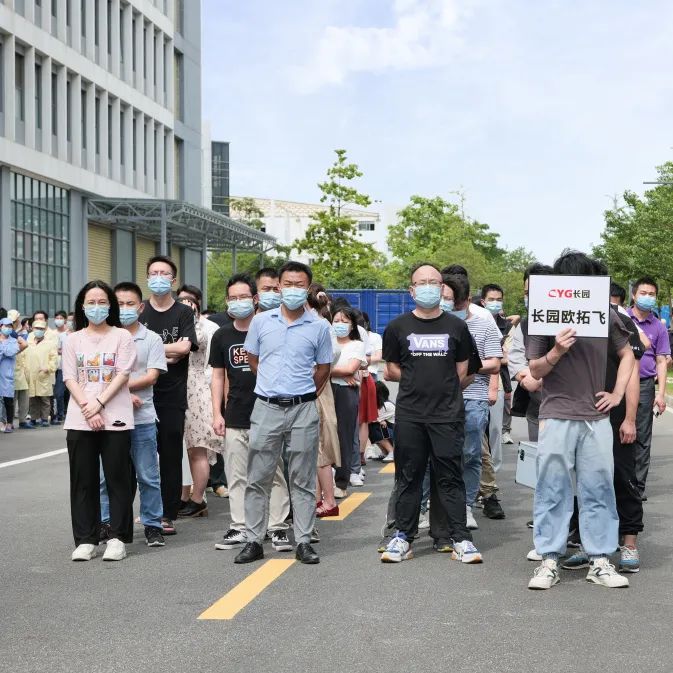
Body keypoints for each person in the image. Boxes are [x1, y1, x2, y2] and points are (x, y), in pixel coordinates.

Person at [526, 250, 634, 590]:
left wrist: (617, 394)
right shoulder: (544, 312)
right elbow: (535, 369)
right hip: (556, 412)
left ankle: (599, 559)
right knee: (552, 488)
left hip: (595, 416)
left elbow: (628, 354)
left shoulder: (604, 313)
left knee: (599, 487)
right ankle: (548, 559)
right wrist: (556, 350)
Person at [380, 263, 482, 564]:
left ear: (442, 288)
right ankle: (403, 536)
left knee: (450, 477)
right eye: (421, 282)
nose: (428, 287)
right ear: (411, 290)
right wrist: (419, 381)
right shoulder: (397, 327)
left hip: (447, 415)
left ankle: (460, 538)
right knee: (408, 477)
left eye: (433, 282)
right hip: (410, 415)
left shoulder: (457, 327)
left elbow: (464, 372)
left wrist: (441, 386)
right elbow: (392, 368)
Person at [233, 261, 332, 565]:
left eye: (299, 285)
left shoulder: (319, 326)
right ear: (278, 287)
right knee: (258, 477)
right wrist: (271, 384)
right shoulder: (261, 322)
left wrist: (305, 392)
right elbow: (253, 358)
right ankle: (253, 540)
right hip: (266, 407)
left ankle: (303, 541)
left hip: (303, 408)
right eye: (287, 284)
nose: (292, 290)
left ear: (308, 288)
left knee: (302, 478)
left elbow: (324, 367)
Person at [562, 299, 646, 574]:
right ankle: (590, 545)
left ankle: (629, 543)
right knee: (586, 482)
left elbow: (632, 372)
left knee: (623, 476)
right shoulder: (566, 319)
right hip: (578, 414)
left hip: (615, 414)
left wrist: (629, 419)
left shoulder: (619, 322)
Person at [210, 274, 292, 551]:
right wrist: (217, 413)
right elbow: (218, 377)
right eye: (233, 298)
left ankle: (277, 527)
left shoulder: (271, 328)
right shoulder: (222, 335)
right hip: (235, 414)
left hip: (269, 412)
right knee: (237, 475)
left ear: (255, 299)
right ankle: (241, 526)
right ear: (226, 301)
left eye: (243, 297)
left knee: (273, 472)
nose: (238, 302)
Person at [62, 280, 136, 562]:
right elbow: (70, 377)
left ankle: (117, 538)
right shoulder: (73, 339)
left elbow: (122, 374)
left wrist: (99, 404)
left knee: (118, 479)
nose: (96, 307)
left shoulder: (122, 336)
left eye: (102, 302)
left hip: (115, 417)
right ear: (82, 306)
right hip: (80, 418)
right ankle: (86, 539)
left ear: (110, 306)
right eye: (91, 302)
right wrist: (88, 408)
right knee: (83, 481)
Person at [99, 282, 168, 548]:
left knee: (148, 476)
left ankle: (152, 525)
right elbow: (98, 377)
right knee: (106, 477)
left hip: (142, 417)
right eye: (120, 304)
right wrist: (123, 395)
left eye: (130, 304)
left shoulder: (152, 339)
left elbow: (151, 376)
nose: (125, 309)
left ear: (141, 307)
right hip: (109, 418)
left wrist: (120, 389)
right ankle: (106, 523)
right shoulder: (104, 337)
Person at [139, 255, 198, 536]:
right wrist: (167, 351)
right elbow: (127, 347)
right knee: (138, 456)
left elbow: (185, 348)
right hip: (139, 393)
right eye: (154, 273)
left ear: (173, 280)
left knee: (170, 455)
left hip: (172, 395)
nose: (158, 277)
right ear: (147, 277)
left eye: (164, 273)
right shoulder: (139, 311)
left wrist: (148, 350)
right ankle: (146, 510)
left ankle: (167, 513)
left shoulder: (183, 312)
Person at [443, 274, 503, 529]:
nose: (451, 306)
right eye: (447, 300)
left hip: (474, 397)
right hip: (440, 398)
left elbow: (495, 362)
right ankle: (435, 505)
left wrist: (466, 366)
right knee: (439, 455)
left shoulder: (484, 324)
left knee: (471, 453)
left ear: (468, 300)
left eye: (456, 302)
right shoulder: (433, 323)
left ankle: (466, 505)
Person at [175, 284, 221, 517]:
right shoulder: (174, 323)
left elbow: (213, 366)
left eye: (190, 300)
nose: (186, 303)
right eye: (181, 299)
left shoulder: (209, 327)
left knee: (197, 447)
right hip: (175, 386)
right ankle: (182, 496)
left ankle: (198, 498)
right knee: (179, 449)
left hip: (199, 389)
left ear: (198, 303)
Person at [626, 276, 670, 500]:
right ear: (633, 295)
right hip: (620, 384)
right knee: (618, 433)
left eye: (652, 294)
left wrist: (661, 394)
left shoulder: (658, 327)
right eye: (643, 293)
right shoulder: (622, 318)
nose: (647, 297)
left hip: (645, 385)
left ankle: (637, 488)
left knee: (642, 437)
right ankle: (620, 483)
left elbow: (662, 360)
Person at [307, 284, 341, 522]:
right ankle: (318, 499)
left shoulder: (318, 325)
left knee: (319, 445)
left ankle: (328, 500)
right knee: (314, 447)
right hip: (317, 384)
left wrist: (316, 369)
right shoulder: (321, 323)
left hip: (315, 386)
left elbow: (332, 356)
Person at [331, 307, 366, 497]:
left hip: (346, 392)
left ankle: (341, 482)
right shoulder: (326, 341)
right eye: (336, 320)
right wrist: (340, 372)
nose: (340, 324)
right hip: (325, 389)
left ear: (352, 325)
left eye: (344, 321)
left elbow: (350, 369)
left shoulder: (356, 345)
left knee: (344, 436)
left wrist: (328, 371)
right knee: (324, 435)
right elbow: (314, 366)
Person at [24, 319, 58, 427]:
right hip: (31, 374)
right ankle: (33, 419)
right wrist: (25, 370)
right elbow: (23, 357)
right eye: (37, 328)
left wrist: (48, 368)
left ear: (45, 330)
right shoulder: (28, 342)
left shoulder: (50, 344)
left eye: (41, 328)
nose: (39, 330)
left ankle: (44, 419)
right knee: (32, 399)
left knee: (45, 399)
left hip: (43, 374)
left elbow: (54, 359)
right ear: (33, 329)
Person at [0, 318, 21, 432]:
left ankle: (9, 423)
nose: (7, 328)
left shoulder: (13, 341)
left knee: (8, 400)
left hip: (7, 374)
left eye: (10, 326)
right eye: (5, 326)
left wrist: (2, 347)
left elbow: (10, 352)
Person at [369, 380, 395, 461]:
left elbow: (371, 419)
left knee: (374, 427)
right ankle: (385, 452)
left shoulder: (387, 405)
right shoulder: (381, 404)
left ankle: (392, 452)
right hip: (393, 434)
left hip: (396, 436)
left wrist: (379, 421)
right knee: (373, 426)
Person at [52, 310, 69, 424]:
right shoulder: (52, 333)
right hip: (54, 366)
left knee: (62, 392)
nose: (58, 320)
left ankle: (62, 412)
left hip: (64, 366)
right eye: (57, 318)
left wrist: (61, 351)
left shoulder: (69, 334)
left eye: (61, 318)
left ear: (65, 320)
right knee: (56, 392)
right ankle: (57, 413)